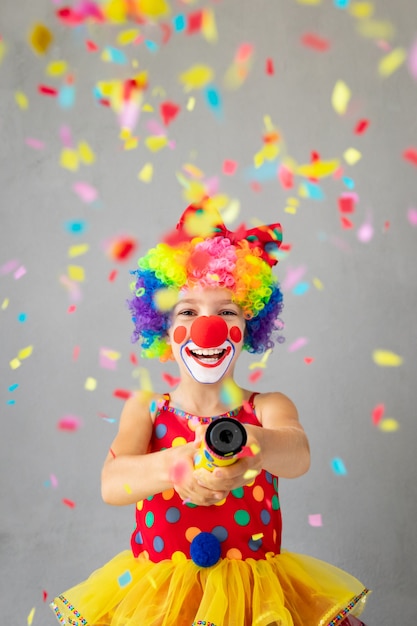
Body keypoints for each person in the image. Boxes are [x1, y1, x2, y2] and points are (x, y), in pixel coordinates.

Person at [50, 201, 369, 626]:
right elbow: (112, 484)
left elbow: (298, 454)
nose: (208, 326)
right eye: (188, 311)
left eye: (226, 311)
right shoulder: (145, 407)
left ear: (249, 325)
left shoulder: (267, 406)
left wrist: (256, 446)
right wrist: (175, 465)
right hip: (160, 605)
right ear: (162, 326)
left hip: (255, 604)